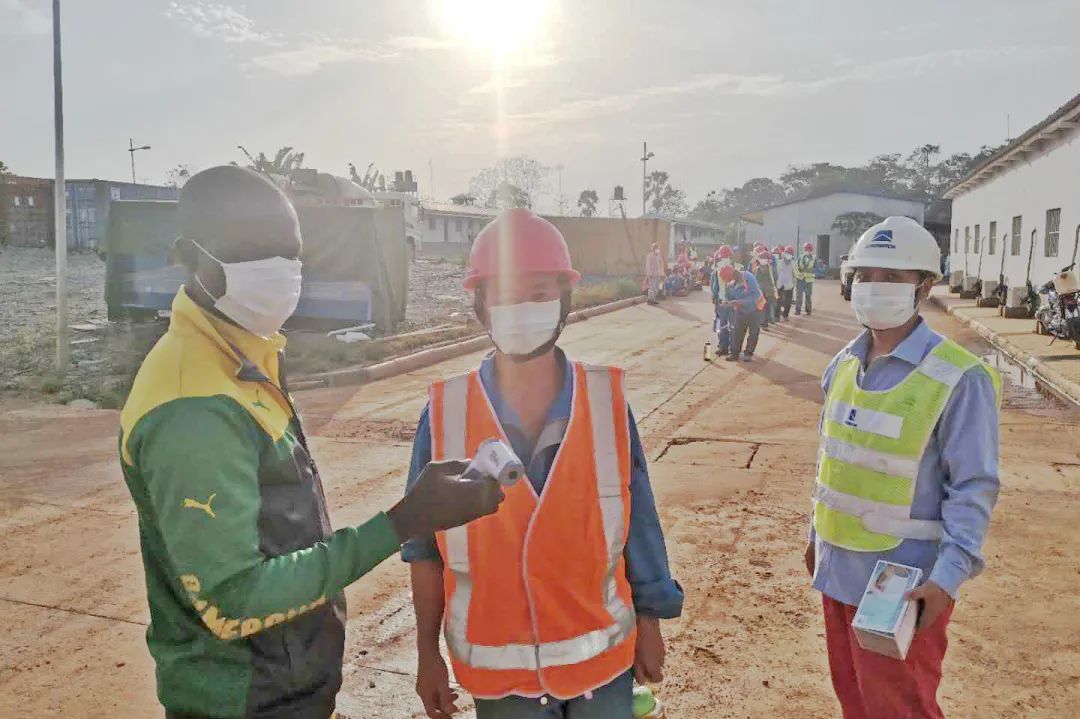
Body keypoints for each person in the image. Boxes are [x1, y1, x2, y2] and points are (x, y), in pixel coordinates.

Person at [118, 166, 505, 719]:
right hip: (243, 699)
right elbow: (234, 600)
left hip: (284, 688)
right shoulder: (193, 406)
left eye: (289, 251)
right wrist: (402, 522)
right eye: (253, 249)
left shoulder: (239, 357)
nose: (278, 270)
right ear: (190, 256)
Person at [404, 209, 683, 719]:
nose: (523, 309)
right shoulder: (445, 415)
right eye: (506, 294)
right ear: (481, 307)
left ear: (563, 301)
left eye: (538, 294)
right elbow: (424, 550)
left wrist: (650, 622)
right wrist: (427, 657)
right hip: (501, 681)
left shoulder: (604, 402)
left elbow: (638, 522)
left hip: (603, 666)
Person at [804, 216, 1001, 719]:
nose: (875, 287)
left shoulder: (958, 377)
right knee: (856, 702)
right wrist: (816, 536)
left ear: (925, 285)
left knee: (900, 709)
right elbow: (835, 458)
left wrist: (948, 578)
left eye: (892, 277)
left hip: (905, 584)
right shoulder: (843, 364)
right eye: (866, 275)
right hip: (838, 571)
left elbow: (973, 486)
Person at [716, 264, 764, 362]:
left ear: (733, 275)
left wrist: (741, 302)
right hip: (740, 310)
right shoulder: (730, 283)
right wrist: (726, 302)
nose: (729, 282)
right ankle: (734, 353)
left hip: (756, 309)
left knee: (753, 332)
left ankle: (748, 353)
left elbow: (756, 295)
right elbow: (728, 296)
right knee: (737, 332)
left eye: (729, 280)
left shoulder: (748, 277)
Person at [711, 245, 736, 356]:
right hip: (722, 301)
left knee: (731, 325)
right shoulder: (717, 269)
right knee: (722, 324)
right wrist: (714, 297)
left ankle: (731, 347)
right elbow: (715, 285)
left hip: (731, 301)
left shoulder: (736, 269)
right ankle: (723, 346)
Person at [752, 248, 778, 331]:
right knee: (760, 308)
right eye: (762, 258)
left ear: (768, 260)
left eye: (765, 258)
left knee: (767, 308)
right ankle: (762, 323)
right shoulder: (756, 270)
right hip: (760, 293)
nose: (763, 260)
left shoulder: (772, 270)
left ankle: (765, 323)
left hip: (769, 292)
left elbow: (775, 279)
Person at [775, 246, 796, 321]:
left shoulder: (793, 263)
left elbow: (795, 273)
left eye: (790, 253)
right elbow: (777, 273)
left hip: (789, 285)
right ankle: (776, 317)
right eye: (787, 253)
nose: (788, 254)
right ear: (785, 253)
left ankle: (785, 316)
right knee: (778, 301)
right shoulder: (779, 262)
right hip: (780, 284)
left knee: (788, 302)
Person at [795, 241, 816, 316]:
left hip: (809, 280)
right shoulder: (800, 257)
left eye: (808, 249)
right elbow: (796, 267)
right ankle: (798, 310)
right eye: (806, 249)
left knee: (808, 296)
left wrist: (809, 270)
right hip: (800, 279)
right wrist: (798, 272)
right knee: (799, 296)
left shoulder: (814, 258)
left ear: (811, 250)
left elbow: (816, 268)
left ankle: (808, 310)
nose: (807, 250)